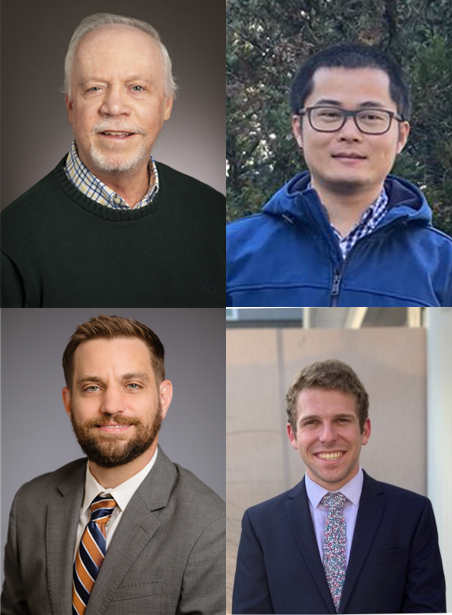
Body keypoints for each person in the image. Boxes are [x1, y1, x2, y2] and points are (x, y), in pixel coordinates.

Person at [0, 314, 225, 615]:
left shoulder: (209, 526)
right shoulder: (30, 503)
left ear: (163, 398)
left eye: (132, 385)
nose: (111, 406)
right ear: (69, 402)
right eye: (92, 387)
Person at [0, 13, 224, 307]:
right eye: (94, 88)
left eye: (137, 88)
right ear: (70, 105)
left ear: (166, 104)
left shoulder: (214, 214)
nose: (115, 107)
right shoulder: (12, 245)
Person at [226, 43, 452, 307]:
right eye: (330, 114)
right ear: (298, 129)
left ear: (401, 135)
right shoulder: (228, 253)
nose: (350, 133)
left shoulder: (443, 265)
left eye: (370, 117)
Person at [232, 359, 446, 614]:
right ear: (292, 435)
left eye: (341, 420)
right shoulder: (260, 525)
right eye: (311, 422)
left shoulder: (413, 514)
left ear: (364, 430)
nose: (328, 436)